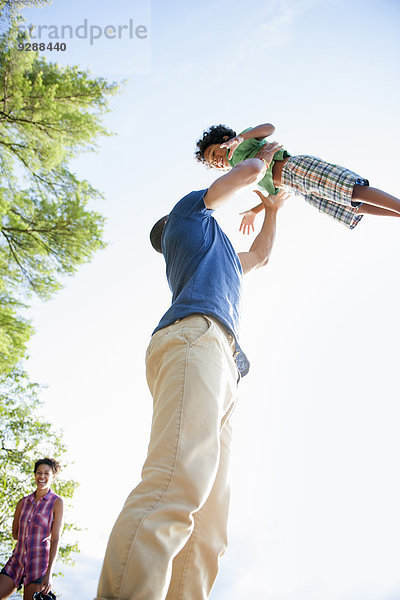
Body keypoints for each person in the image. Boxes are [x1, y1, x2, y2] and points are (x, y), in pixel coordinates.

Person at [96, 141, 287, 600]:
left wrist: (274, 210)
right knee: (173, 485)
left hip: (222, 358)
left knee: (208, 529)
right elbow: (242, 176)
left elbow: (259, 257)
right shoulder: (186, 217)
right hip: (193, 338)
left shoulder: (218, 252)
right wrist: (255, 157)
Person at [195, 123, 400, 231]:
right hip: (297, 189)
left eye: (214, 153)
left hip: (295, 169)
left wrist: (241, 137)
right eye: (212, 163)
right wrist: (255, 212)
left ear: (224, 140)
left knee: (350, 191)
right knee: (349, 206)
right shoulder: (241, 171)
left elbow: (269, 128)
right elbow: (273, 195)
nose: (216, 161)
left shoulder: (241, 143)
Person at [0, 458, 64, 600]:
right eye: (39, 473)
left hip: (39, 565)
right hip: (17, 560)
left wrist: (49, 574)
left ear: (53, 476)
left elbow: (55, 539)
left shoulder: (57, 502)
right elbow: (15, 534)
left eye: (46, 473)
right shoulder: (23, 502)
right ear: (35, 475)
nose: (42, 476)